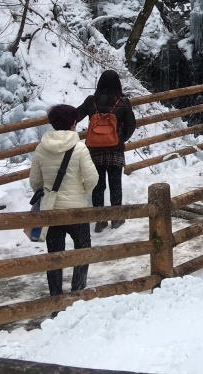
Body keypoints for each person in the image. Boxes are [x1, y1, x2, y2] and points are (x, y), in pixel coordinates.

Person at [29, 104, 98, 297]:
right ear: (74, 124)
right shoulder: (80, 148)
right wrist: (81, 191)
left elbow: (34, 181)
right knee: (82, 250)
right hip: (77, 211)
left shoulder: (41, 149)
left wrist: (48, 193)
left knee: (55, 256)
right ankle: (77, 292)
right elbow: (92, 178)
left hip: (52, 213)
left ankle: (56, 297)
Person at [76, 70, 136, 232]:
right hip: (114, 149)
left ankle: (100, 220)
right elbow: (131, 125)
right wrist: (120, 138)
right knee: (115, 184)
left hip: (94, 149)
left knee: (98, 185)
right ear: (117, 84)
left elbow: (76, 115)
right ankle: (116, 218)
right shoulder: (123, 102)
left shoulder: (91, 101)